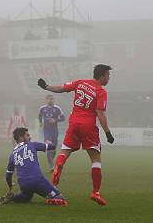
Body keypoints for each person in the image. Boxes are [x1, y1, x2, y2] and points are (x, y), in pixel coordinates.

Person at [37, 64, 115, 206]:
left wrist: (46, 87)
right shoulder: (101, 91)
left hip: (73, 123)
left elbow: (61, 88)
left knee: (65, 151)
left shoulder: (80, 83)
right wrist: (108, 133)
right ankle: (95, 192)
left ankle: (59, 164)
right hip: (88, 126)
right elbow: (100, 113)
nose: (109, 78)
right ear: (102, 75)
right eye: (108, 75)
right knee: (95, 158)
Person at [0, 127, 67, 206]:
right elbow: (52, 147)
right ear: (21, 138)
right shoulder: (31, 144)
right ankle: (52, 197)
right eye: (27, 135)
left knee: (26, 197)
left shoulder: (12, 154)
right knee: (60, 198)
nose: (30, 137)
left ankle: (13, 197)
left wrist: (10, 186)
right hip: (37, 180)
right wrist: (49, 142)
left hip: (23, 184)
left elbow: (8, 175)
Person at [38, 95, 66, 169]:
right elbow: (40, 116)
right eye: (49, 99)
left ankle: (52, 157)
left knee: (53, 149)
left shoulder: (57, 108)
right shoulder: (42, 108)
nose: (50, 100)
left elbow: (63, 118)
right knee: (49, 146)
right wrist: (40, 122)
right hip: (46, 131)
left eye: (52, 99)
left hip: (54, 131)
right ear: (46, 100)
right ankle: (51, 166)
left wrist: (55, 120)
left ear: (54, 100)